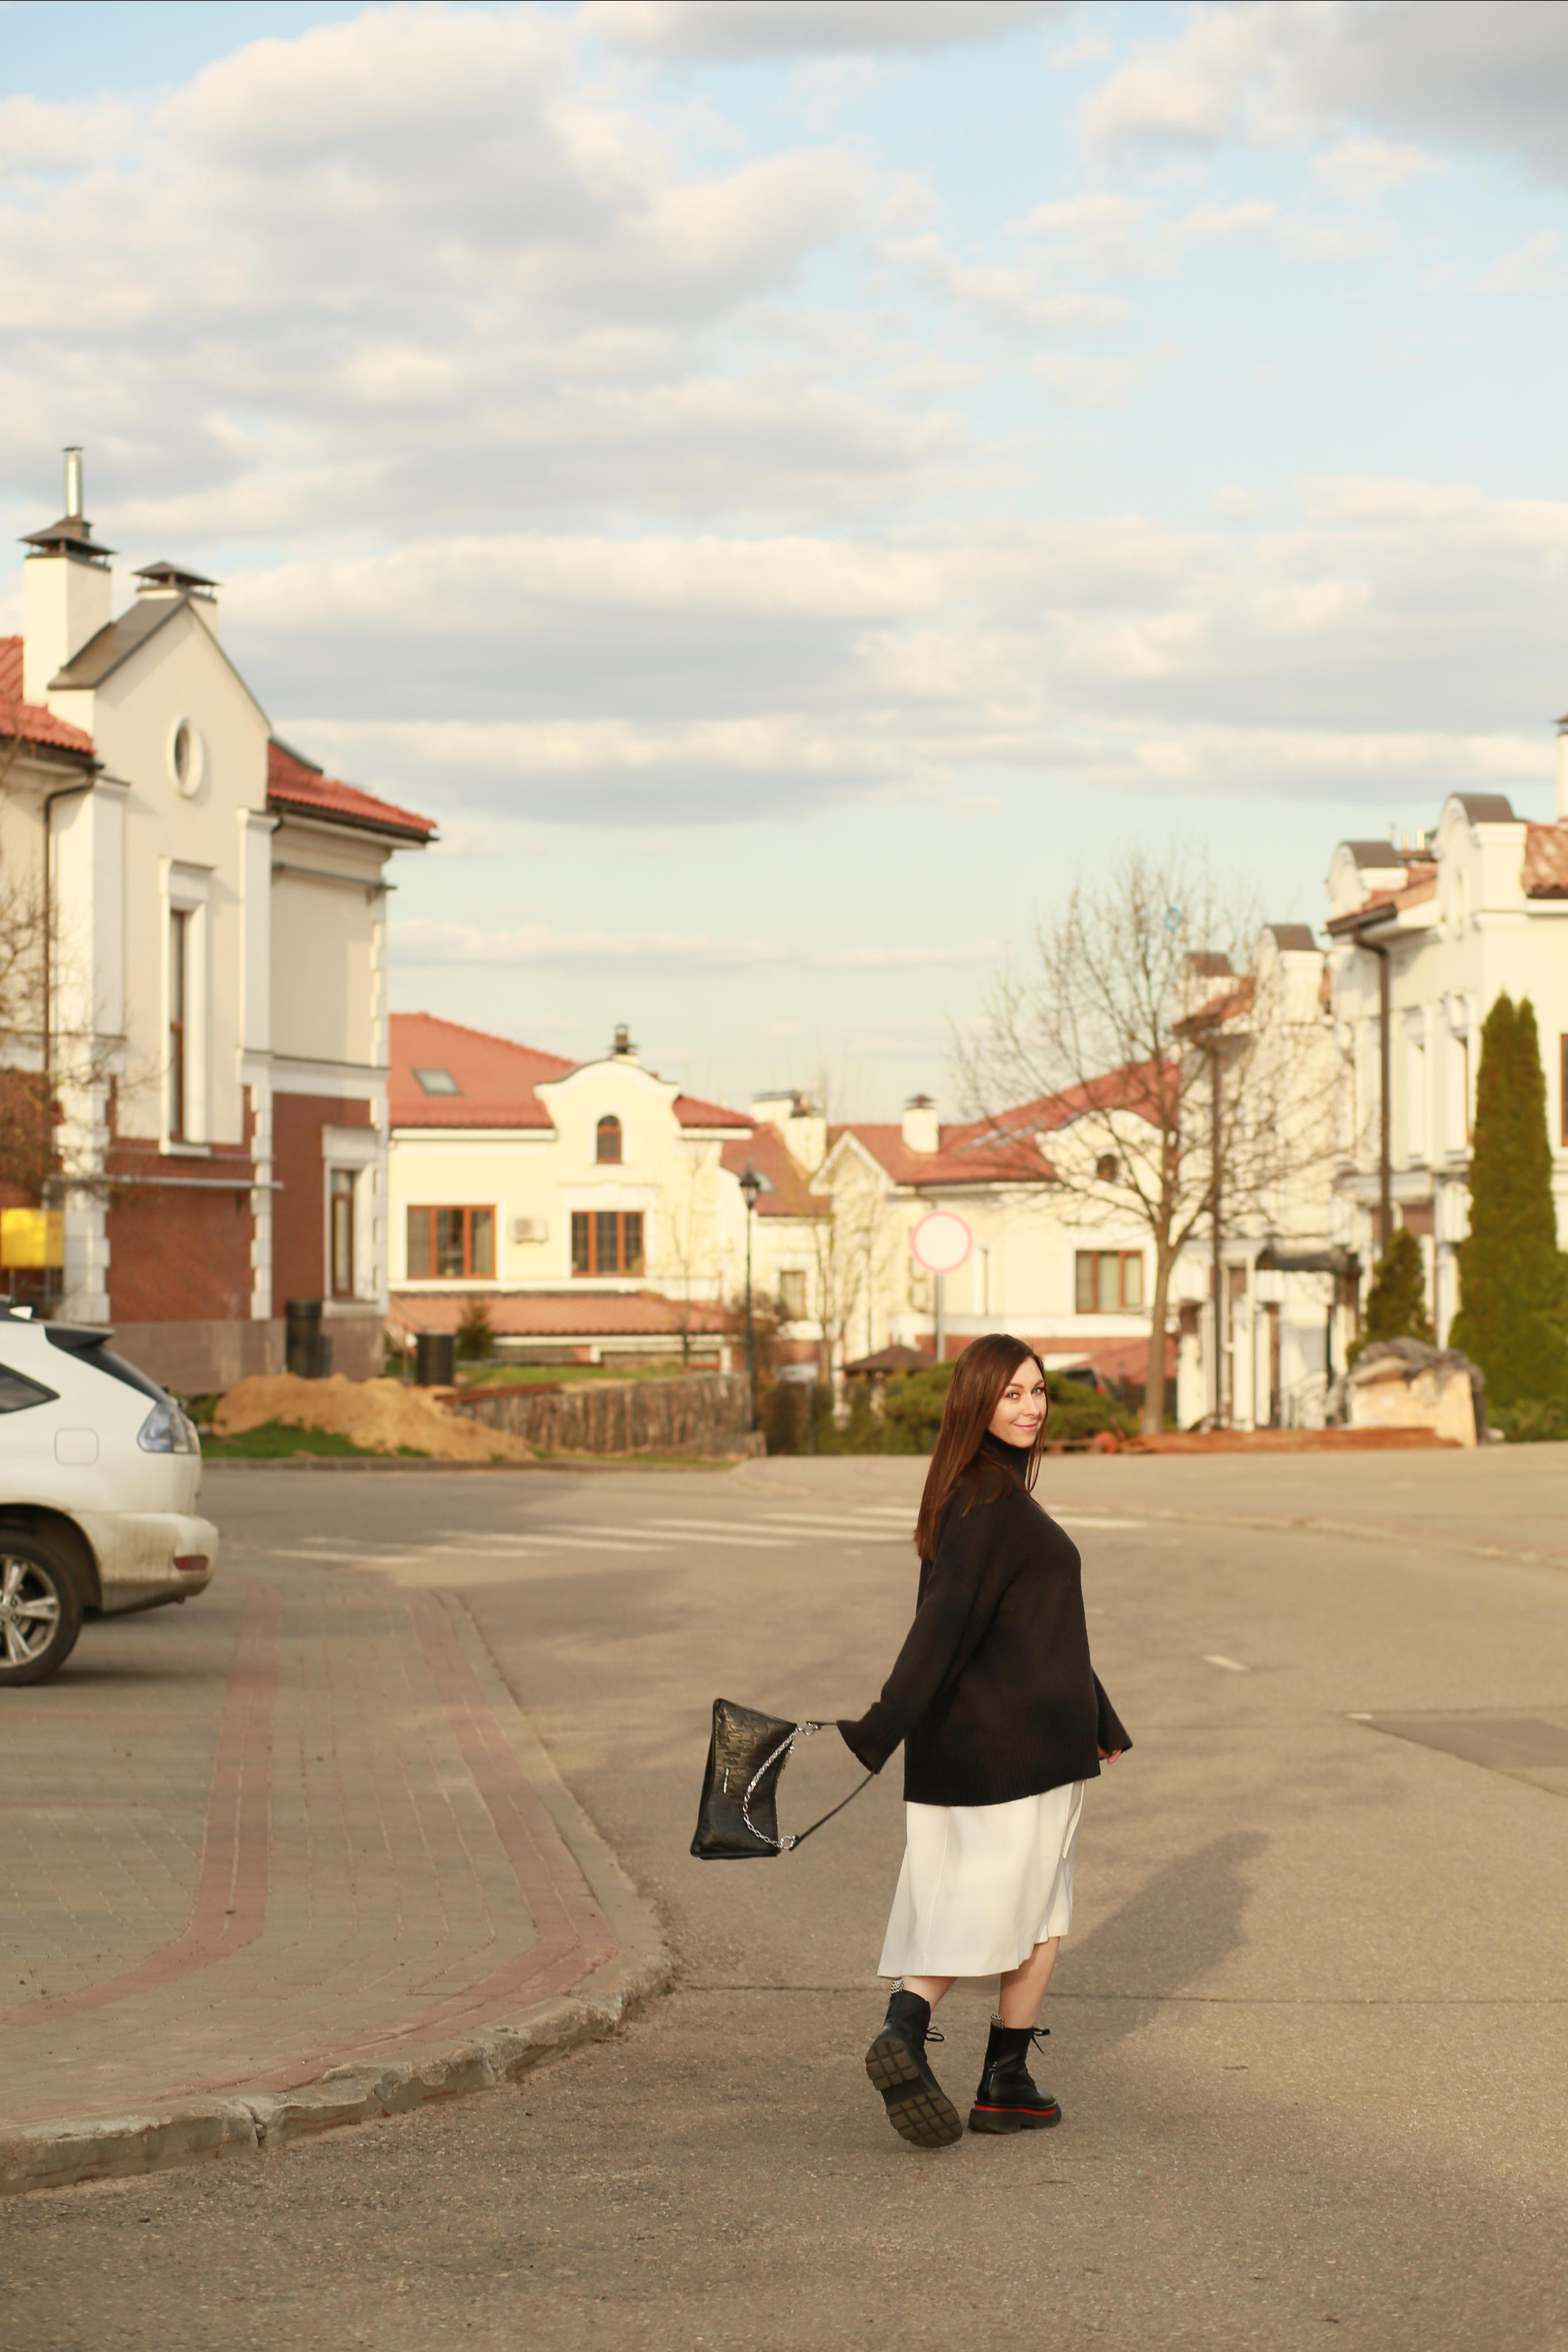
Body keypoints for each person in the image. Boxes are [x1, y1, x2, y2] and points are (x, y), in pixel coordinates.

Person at [838, 1333, 1130, 2150]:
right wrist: (876, 1728)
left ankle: (946, 2046)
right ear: (977, 1404)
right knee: (1033, 1910)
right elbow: (942, 1630)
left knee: (971, 1898)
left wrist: (1102, 1718)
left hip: (980, 1743)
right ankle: (980, 2066)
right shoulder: (991, 1503)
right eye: (1012, 1395)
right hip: (1022, 1746)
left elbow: (1028, 1627)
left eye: (1038, 1391)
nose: (1032, 1407)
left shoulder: (969, 1494)